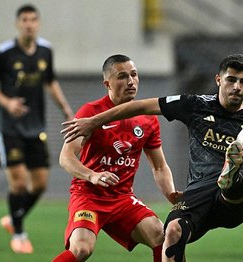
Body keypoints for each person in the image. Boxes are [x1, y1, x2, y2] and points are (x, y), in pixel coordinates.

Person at [61, 54, 243, 262]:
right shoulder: (195, 105)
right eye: (231, 80)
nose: (237, 86)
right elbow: (137, 107)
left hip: (239, 197)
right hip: (188, 190)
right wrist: (94, 125)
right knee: (169, 233)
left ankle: (232, 173)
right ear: (218, 80)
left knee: (234, 185)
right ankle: (230, 172)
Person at [52, 54, 178, 262]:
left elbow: (159, 167)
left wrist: (171, 194)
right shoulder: (91, 112)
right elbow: (66, 157)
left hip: (122, 198)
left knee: (162, 236)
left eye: (134, 75)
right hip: (89, 196)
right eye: (122, 76)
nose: (130, 81)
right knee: (82, 249)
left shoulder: (148, 119)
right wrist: (92, 176)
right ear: (107, 83)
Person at [0, 4, 73, 254]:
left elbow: (50, 81)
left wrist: (65, 107)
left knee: (40, 184)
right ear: (17, 23)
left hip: (35, 127)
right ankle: (19, 234)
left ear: (38, 23)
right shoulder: (4, 52)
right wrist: (7, 102)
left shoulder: (45, 50)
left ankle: (13, 219)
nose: (29, 23)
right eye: (24, 19)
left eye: (33, 19)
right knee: (19, 184)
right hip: (8, 127)